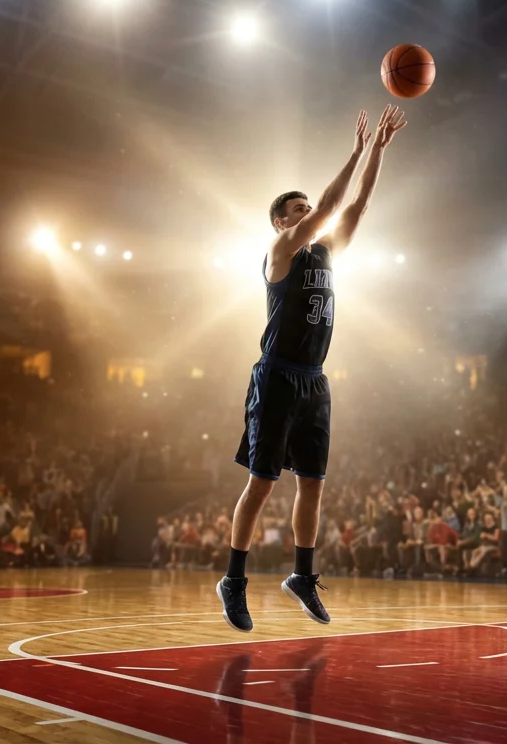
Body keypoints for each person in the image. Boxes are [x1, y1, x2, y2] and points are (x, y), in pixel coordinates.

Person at [218, 106, 407, 632]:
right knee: (261, 485)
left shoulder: (325, 254)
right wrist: (352, 151)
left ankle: (303, 576)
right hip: (275, 375)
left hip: (314, 379)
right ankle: (234, 581)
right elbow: (328, 206)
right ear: (282, 222)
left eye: (306, 208)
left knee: (314, 485)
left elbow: (358, 206)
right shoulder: (280, 252)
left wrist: (379, 151)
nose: (306, 214)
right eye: (296, 209)